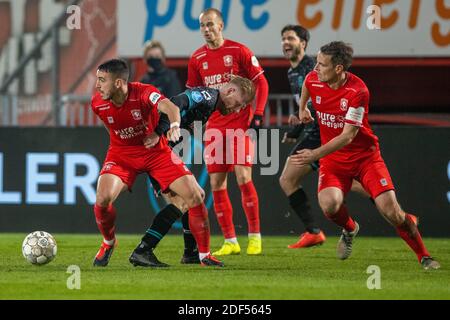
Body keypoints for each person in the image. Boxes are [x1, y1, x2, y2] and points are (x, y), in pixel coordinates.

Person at [290, 41, 440, 270]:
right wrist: (302, 108)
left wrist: (314, 154)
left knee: (393, 213)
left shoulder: (358, 91)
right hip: (334, 160)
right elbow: (307, 86)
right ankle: (350, 228)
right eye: (317, 62)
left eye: (322, 64)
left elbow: (348, 136)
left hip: (364, 158)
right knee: (330, 205)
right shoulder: (314, 78)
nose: (316, 68)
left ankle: (424, 256)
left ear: (339, 68)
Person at [91, 58, 223, 268]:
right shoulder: (97, 103)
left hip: (156, 153)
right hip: (121, 155)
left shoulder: (144, 92)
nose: (97, 85)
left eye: (101, 80)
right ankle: (108, 242)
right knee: (102, 199)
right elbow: (112, 127)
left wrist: (175, 125)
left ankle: (204, 256)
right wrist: (119, 144)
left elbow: (170, 107)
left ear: (118, 83)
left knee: (196, 196)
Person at [129, 75, 257, 265]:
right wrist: (163, 130)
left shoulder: (211, 106)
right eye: (240, 103)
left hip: (161, 150)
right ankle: (144, 249)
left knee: (189, 200)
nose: (237, 109)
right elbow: (176, 102)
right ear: (230, 91)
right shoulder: (207, 96)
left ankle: (190, 253)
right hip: (156, 151)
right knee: (188, 199)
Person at [186, 8, 269, 256]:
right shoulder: (196, 58)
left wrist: (258, 114)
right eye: (202, 26)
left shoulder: (239, 51)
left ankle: (254, 236)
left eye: (211, 24)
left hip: (239, 125)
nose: (207, 29)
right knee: (216, 183)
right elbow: (194, 93)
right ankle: (230, 241)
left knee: (244, 177)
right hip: (213, 128)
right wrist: (192, 120)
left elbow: (261, 82)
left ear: (221, 25)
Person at [279, 25, 370, 249]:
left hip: (324, 133)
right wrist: (299, 119)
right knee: (290, 179)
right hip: (314, 132)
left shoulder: (314, 66)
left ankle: (392, 208)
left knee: (290, 179)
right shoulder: (293, 71)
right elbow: (307, 99)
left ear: (304, 43)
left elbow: (323, 100)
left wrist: (298, 127)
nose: (286, 43)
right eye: (283, 39)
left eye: (291, 38)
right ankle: (314, 231)